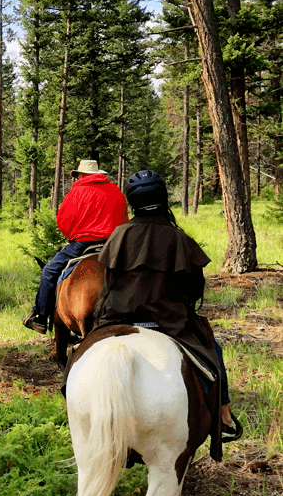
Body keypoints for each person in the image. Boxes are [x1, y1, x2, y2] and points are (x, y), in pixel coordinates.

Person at [94, 169, 241, 442]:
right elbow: (195, 289)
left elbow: (108, 283)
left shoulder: (119, 235)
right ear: (163, 199)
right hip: (170, 323)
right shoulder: (178, 238)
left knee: (84, 352)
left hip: (118, 320)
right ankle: (223, 416)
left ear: (132, 201)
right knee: (213, 351)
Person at [23, 159, 128, 333]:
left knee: (49, 271)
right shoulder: (115, 190)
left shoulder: (77, 191)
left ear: (82, 174)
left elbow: (63, 221)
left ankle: (40, 317)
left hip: (83, 243)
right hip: (114, 244)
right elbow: (124, 219)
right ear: (98, 174)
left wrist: (72, 235)